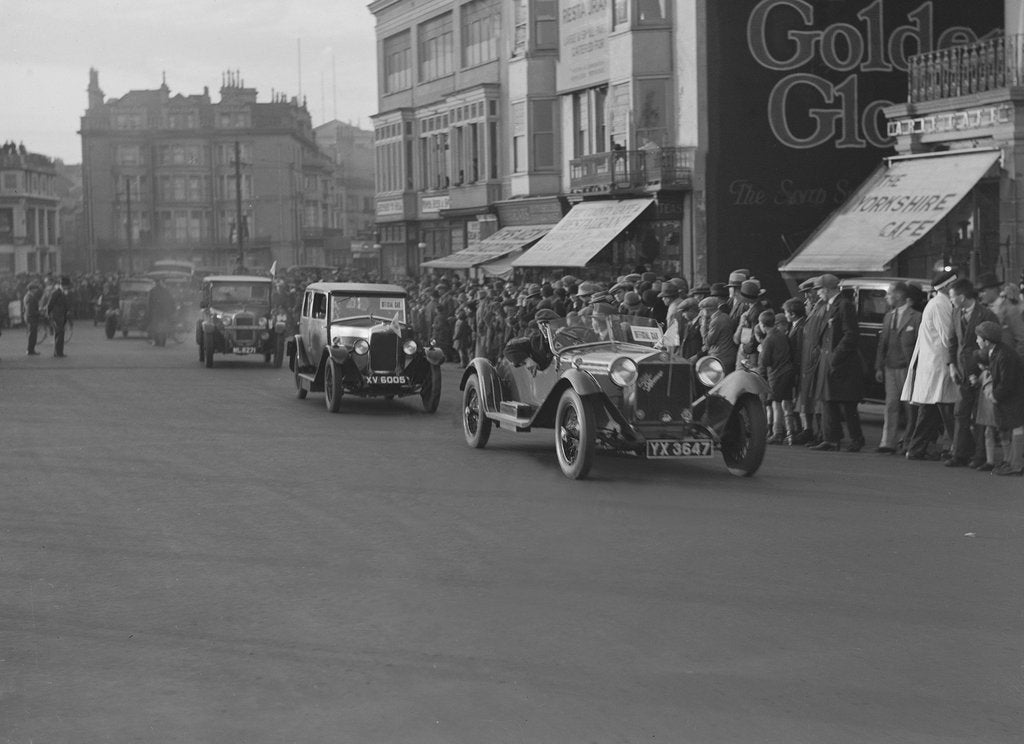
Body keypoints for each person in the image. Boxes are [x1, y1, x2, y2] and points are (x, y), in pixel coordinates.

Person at [902, 269, 961, 460]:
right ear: (947, 286)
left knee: (931, 411)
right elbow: (948, 337)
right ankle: (958, 449)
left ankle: (916, 448)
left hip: (934, 365)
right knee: (948, 411)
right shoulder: (941, 306)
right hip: (941, 364)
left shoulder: (937, 303)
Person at [946, 278, 998, 468]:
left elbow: (993, 344)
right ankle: (960, 453)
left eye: (952, 297)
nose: (950, 301)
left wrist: (983, 369)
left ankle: (979, 455)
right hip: (960, 370)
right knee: (960, 413)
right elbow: (952, 341)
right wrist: (951, 365)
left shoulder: (987, 315)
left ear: (961, 296)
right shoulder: (955, 313)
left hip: (981, 370)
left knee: (979, 415)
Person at [810, 274, 864, 452]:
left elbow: (851, 334)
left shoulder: (844, 305)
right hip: (831, 360)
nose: (817, 293)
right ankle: (831, 438)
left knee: (847, 403)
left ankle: (856, 438)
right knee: (828, 400)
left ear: (827, 289)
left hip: (842, 363)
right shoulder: (832, 305)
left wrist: (835, 356)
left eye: (819, 289)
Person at [874, 281, 921, 453]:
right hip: (890, 367)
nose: (886, 297)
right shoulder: (888, 316)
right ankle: (888, 442)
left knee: (910, 407)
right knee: (891, 404)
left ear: (899, 295)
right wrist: (879, 366)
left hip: (908, 368)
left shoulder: (916, 317)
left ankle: (909, 441)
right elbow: (882, 343)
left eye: (889, 294)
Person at [975, 320, 1024, 476]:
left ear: (987, 341)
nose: (977, 340)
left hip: (1013, 396)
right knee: (1006, 427)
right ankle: (1010, 461)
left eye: (979, 338)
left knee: (1016, 427)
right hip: (1009, 396)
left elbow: (1007, 382)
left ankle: (1016, 465)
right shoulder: (997, 351)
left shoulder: (1004, 355)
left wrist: (995, 396)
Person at [756, 310, 797, 444]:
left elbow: (765, 362)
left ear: (762, 324)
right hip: (788, 371)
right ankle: (791, 433)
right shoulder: (782, 335)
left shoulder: (768, 339)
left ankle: (777, 432)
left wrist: (761, 351)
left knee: (775, 403)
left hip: (777, 374)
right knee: (787, 403)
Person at [44, 276, 70, 358]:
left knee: (60, 333)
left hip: (61, 315)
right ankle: (58, 353)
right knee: (60, 333)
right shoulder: (56, 293)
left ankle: (58, 352)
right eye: (65, 286)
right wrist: (48, 314)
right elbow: (50, 304)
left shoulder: (62, 292)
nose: (66, 287)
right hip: (56, 316)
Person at [147, 277, 176, 347]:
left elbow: (150, 303)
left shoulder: (152, 291)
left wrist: (149, 312)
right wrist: (172, 310)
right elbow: (171, 301)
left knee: (156, 327)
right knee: (163, 327)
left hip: (157, 312)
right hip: (164, 312)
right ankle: (162, 342)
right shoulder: (166, 291)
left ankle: (158, 342)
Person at [24, 281, 42, 355]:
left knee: (32, 335)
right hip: (32, 318)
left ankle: (31, 349)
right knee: (32, 335)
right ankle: (30, 350)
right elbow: (30, 311)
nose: (36, 290)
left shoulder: (28, 296)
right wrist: (39, 312)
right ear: (31, 289)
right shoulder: (30, 298)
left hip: (30, 318)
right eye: (35, 288)